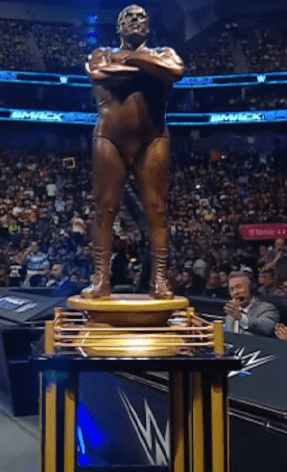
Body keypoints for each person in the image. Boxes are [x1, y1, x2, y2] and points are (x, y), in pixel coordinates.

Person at [80, 4, 184, 299]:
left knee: (157, 209)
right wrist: (148, 68)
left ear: (148, 26)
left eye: (141, 17)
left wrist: (130, 60)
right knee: (104, 208)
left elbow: (175, 71)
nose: (136, 20)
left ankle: (159, 280)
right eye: (129, 16)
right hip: (110, 137)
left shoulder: (165, 53)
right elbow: (99, 74)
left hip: (153, 138)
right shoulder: (101, 53)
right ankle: (101, 279)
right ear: (119, 26)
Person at [223, 271, 279, 337]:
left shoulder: (267, 309)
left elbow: (268, 328)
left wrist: (241, 318)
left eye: (239, 287)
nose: (235, 292)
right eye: (232, 289)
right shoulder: (230, 316)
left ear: (251, 288)